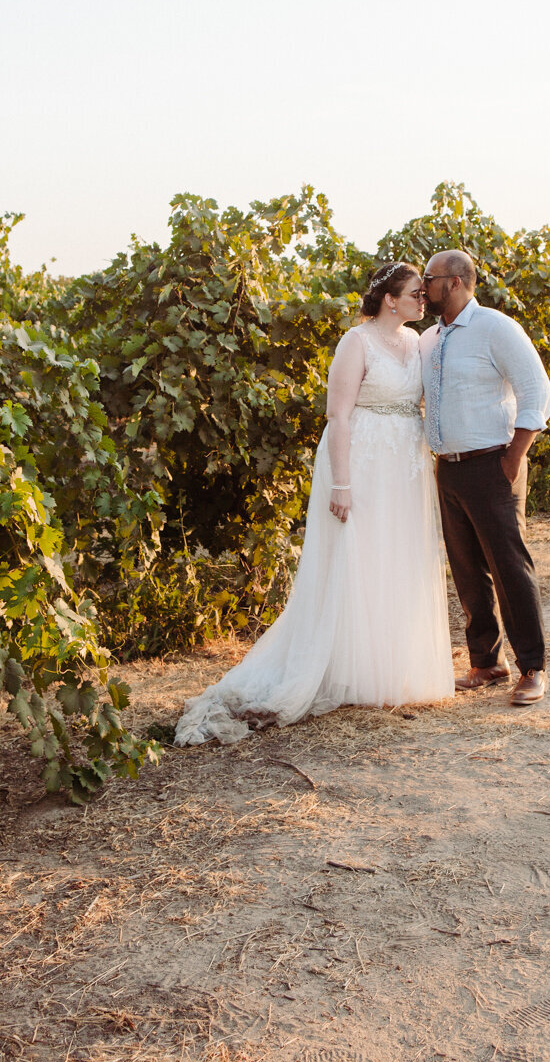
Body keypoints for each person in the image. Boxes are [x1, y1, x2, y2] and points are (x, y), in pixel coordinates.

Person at [174, 263, 455, 745]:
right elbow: (338, 416)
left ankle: (386, 668)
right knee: (356, 558)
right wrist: (341, 484)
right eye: (415, 294)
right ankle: (340, 667)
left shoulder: (416, 343)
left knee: (395, 556)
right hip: (361, 459)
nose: (422, 301)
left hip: (403, 465)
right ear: (390, 299)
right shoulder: (357, 342)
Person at [419, 250, 550, 706]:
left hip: (492, 463)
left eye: (429, 278)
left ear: (454, 283)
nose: (423, 285)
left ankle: (532, 667)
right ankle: (487, 662)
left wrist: (514, 457)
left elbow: (537, 389)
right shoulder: (431, 338)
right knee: (467, 571)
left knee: (509, 567)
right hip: (449, 467)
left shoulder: (495, 327)